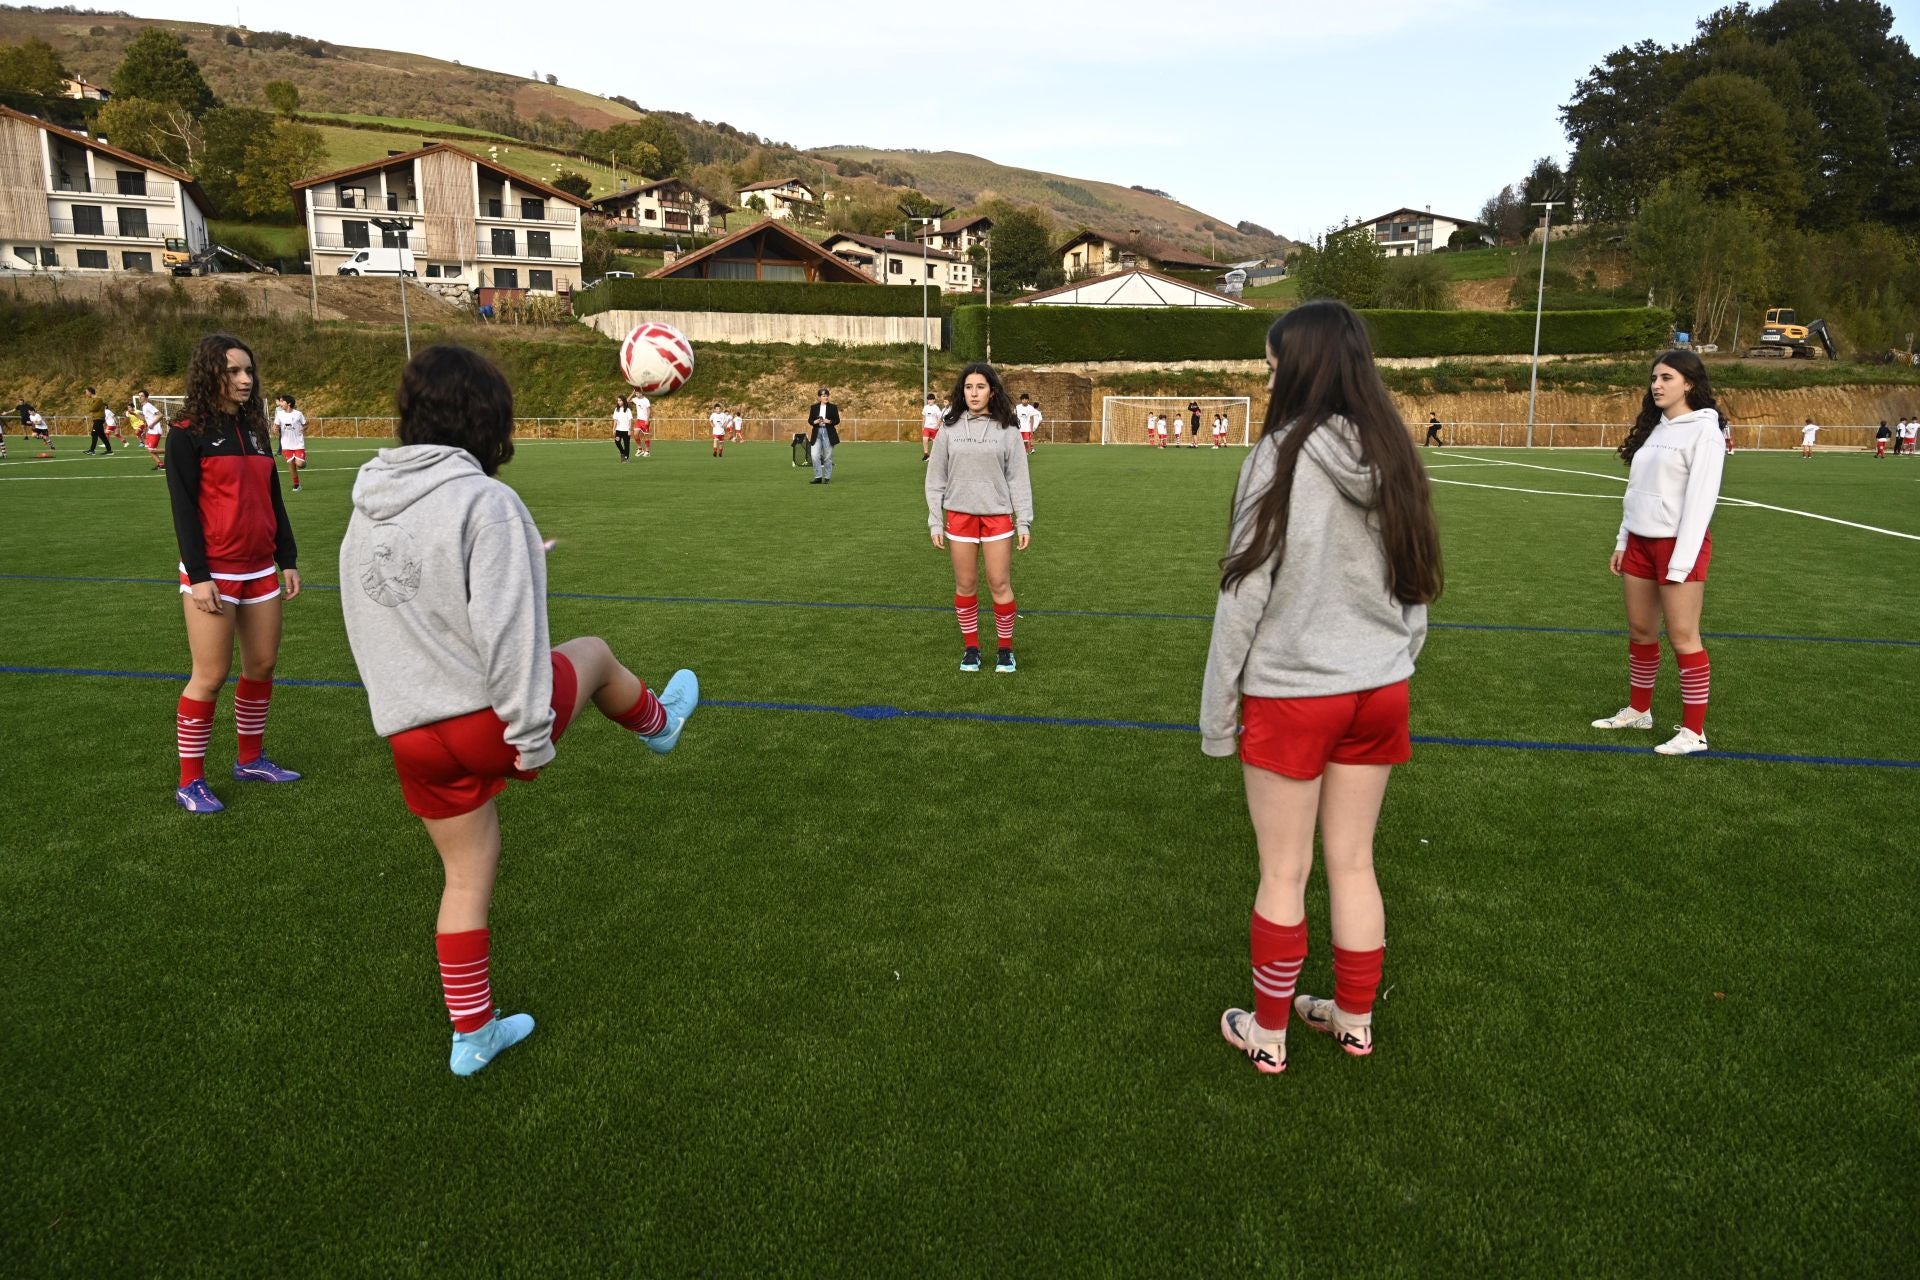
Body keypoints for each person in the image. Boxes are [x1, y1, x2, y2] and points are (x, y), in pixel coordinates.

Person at [339, 344, 699, 1078]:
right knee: (594, 651)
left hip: (410, 731)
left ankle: (472, 1035)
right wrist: (530, 735)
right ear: (489, 419)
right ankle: (661, 726)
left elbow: (383, 611)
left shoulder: (365, 508)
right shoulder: (486, 501)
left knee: (465, 880)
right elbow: (510, 633)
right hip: (487, 723)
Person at [1203, 300, 1441, 1075]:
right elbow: (1417, 580)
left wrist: (1217, 711)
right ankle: (1354, 1021)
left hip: (1295, 694)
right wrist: (1396, 655)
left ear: (1299, 367)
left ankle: (1267, 1031)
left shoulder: (1277, 455)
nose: (1267, 378)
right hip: (1380, 689)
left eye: (1272, 366)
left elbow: (1245, 590)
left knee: (1284, 870)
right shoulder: (1395, 451)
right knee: (1354, 861)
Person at [166, 335, 303, 814]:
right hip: (214, 573)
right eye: (233, 372)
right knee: (210, 675)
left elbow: (274, 500)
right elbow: (183, 509)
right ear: (211, 375)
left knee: (262, 665)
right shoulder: (185, 432)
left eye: (249, 371)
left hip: (262, 567)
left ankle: (250, 759)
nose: (245, 380)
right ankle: (191, 781)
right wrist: (199, 575)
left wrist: (287, 557)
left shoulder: (257, 430)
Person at [1591, 349, 1725, 758]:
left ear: (1690, 383)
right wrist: (1622, 540)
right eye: (1654, 378)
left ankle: (1694, 732)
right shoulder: (1656, 429)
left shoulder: (1705, 431)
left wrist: (1681, 563)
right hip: (1640, 544)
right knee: (1640, 631)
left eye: (1667, 377)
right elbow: (1635, 493)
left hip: (1677, 546)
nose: (1657, 385)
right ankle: (1639, 710)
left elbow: (1701, 503)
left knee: (1684, 637)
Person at [927, 362, 1033, 674]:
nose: (974, 393)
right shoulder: (948, 429)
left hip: (998, 516)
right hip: (959, 516)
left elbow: (1018, 478)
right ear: (962, 392)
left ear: (992, 391)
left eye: (980, 387)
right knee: (966, 583)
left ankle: (1005, 650)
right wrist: (935, 519)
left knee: (999, 583)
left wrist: (1023, 520)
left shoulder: (1008, 430)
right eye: (969, 387)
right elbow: (935, 478)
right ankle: (971, 649)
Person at [274, 394, 308, 491]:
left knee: (300, 464)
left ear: (288, 403)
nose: (280, 403)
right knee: (291, 464)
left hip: (298, 443)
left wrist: (303, 429)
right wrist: (275, 429)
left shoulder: (298, 414)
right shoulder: (279, 414)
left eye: (282, 401)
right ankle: (296, 485)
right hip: (286, 444)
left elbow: (305, 424)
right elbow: (275, 426)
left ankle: (304, 462)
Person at [807, 386, 840, 483]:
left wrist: (829, 421)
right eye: (823, 396)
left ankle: (827, 477)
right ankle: (818, 477)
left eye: (827, 395)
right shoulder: (814, 407)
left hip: (828, 433)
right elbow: (810, 420)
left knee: (827, 457)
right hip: (817, 432)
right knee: (814, 455)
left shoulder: (833, 407)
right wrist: (815, 421)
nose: (826, 397)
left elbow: (837, 420)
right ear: (819, 397)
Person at [138, 391, 164, 470]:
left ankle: (172, 450)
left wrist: (152, 424)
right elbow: (146, 419)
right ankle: (161, 464)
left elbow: (160, 415)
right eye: (139, 396)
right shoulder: (144, 407)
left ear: (146, 397)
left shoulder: (148, 405)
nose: (140, 397)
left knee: (152, 449)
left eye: (141, 396)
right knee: (147, 447)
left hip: (155, 430)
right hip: (150, 431)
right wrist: (134, 414)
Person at [84, 385, 110, 454]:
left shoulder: (99, 399)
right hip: (96, 419)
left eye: (86, 392)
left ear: (90, 392)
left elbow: (92, 408)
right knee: (102, 435)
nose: (86, 394)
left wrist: (91, 405)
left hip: (99, 419)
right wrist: (91, 403)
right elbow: (89, 406)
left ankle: (92, 450)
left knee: (94, 433)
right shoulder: (93, 399)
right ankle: (109, 450)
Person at [612, 394, 635, 463]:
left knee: (626, 444)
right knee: (617, 442)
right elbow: (615, 420)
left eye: (620, 400)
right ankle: (622, 452)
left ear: (624, 401)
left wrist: (629, 430)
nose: (618, 402)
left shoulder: (628, 410)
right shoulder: (616, 409)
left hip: (626, 430)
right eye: (618, 400)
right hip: (618, 430)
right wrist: (613, 429)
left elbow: (630, 420)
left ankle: (626, 458)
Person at [921, 393, 942, 462]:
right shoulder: (925, 407)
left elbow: (939, 417)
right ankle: (926, 454)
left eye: (931, 400)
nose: (929, 401)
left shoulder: (936, 408)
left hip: (934, 428)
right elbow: (923, 417)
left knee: (935, 443)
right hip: (926, 427)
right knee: (925, 439)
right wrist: (923, 426)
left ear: (934, 400)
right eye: (928, 400)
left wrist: (937, 425)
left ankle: (935, 455)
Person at [632, 391, 652, 458]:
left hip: (644, 420)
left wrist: (647, 419)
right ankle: (640, 449)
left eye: (638, 393)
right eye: (636, 393)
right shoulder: (636, 399)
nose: (637, 394)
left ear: (641, 393)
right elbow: (626, 400)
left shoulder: (646, 400)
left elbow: (649, 410)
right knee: (635, 434)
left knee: (646, 436)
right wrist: (632, 393)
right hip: (638, 420)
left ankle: (647, 451)